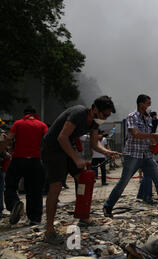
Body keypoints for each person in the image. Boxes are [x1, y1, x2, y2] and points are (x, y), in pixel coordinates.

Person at [41, 96, 120, 245]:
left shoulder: (95, 122)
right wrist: (76, 159)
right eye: (104, 115)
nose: (105, 118)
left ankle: (83, 217)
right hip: (53, 147)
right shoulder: (78, 113)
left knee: (84, 178)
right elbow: (62, 137)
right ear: (95, 109)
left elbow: (94, 144)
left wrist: (106, 152)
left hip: (66, 146)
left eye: (108, 116)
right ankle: (49, 230)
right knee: (56, 187)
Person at [104, 95, 158, 217]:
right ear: (140, 104)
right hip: (133, 155)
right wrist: (154, 135)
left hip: (146, 156)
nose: (149, 106)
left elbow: (150, 143)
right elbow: (136, 134)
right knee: (123, 182)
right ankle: (108, 206)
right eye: (148, 103)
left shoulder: (148, 118)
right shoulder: (132, 117)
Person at [2, 106, 48, 226]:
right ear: (35, 113)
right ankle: (35, 218)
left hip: (18, 159)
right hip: (35, 161)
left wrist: (4, 149)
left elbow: (9, 138)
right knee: (35, 190)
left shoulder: (18, 124)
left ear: (24, 114)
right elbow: (47, 140)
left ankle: (14, 204)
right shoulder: (42, 125)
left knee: (10, 185)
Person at [137, 111, 158, 202]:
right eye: (154, 118)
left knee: (147, 175)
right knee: (149, 176)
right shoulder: (145, 128)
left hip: (145, 154)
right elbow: (150, 143)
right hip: (142, 154)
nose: (155, 120)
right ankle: (147, 196)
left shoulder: (149, 129)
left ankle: (142, 195)